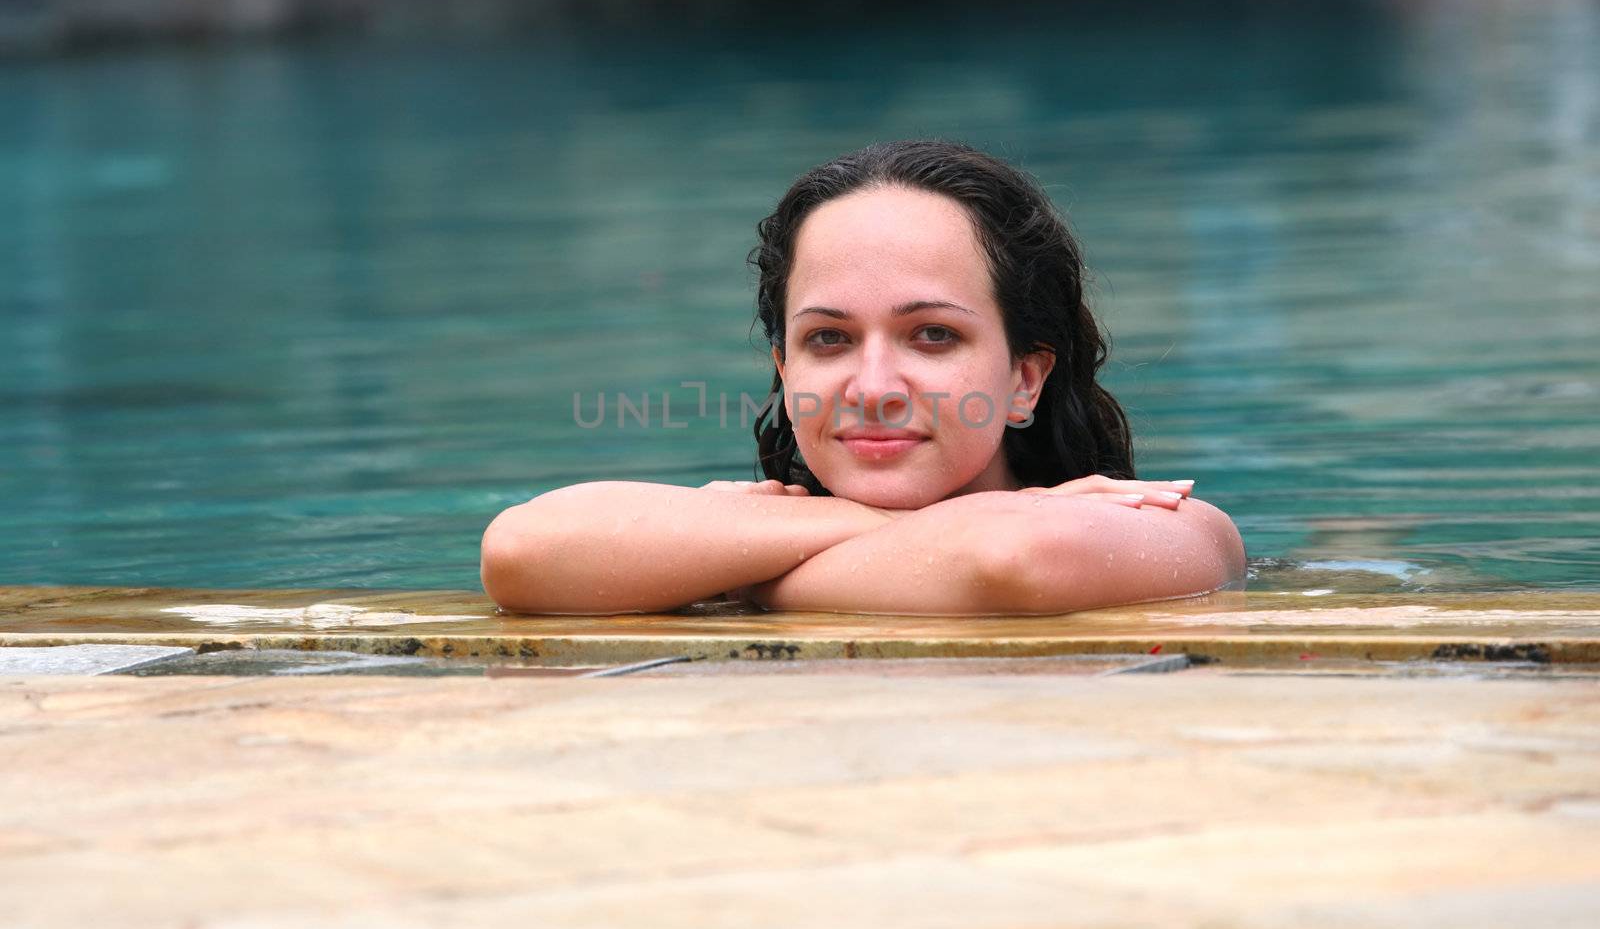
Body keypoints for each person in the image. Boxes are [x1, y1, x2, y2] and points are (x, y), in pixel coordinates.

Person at [480, 140, 1246, 615]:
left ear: (1024, 377)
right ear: (785, 371)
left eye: (933, 335)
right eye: (829, 339)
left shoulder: (1170, 525)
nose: (872, 383)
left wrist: (730, 570)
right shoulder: (768, 529)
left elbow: (1012, 562)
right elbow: (520, 551)